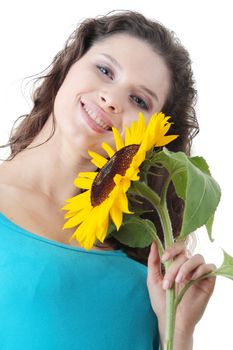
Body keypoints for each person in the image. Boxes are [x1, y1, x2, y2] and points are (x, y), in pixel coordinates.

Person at [0, 10, 216, 350]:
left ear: (154, 140)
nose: (112, 99)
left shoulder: (148, 279)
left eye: (139, 100)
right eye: (104, 70)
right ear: (68, 66)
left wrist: (178, 330)